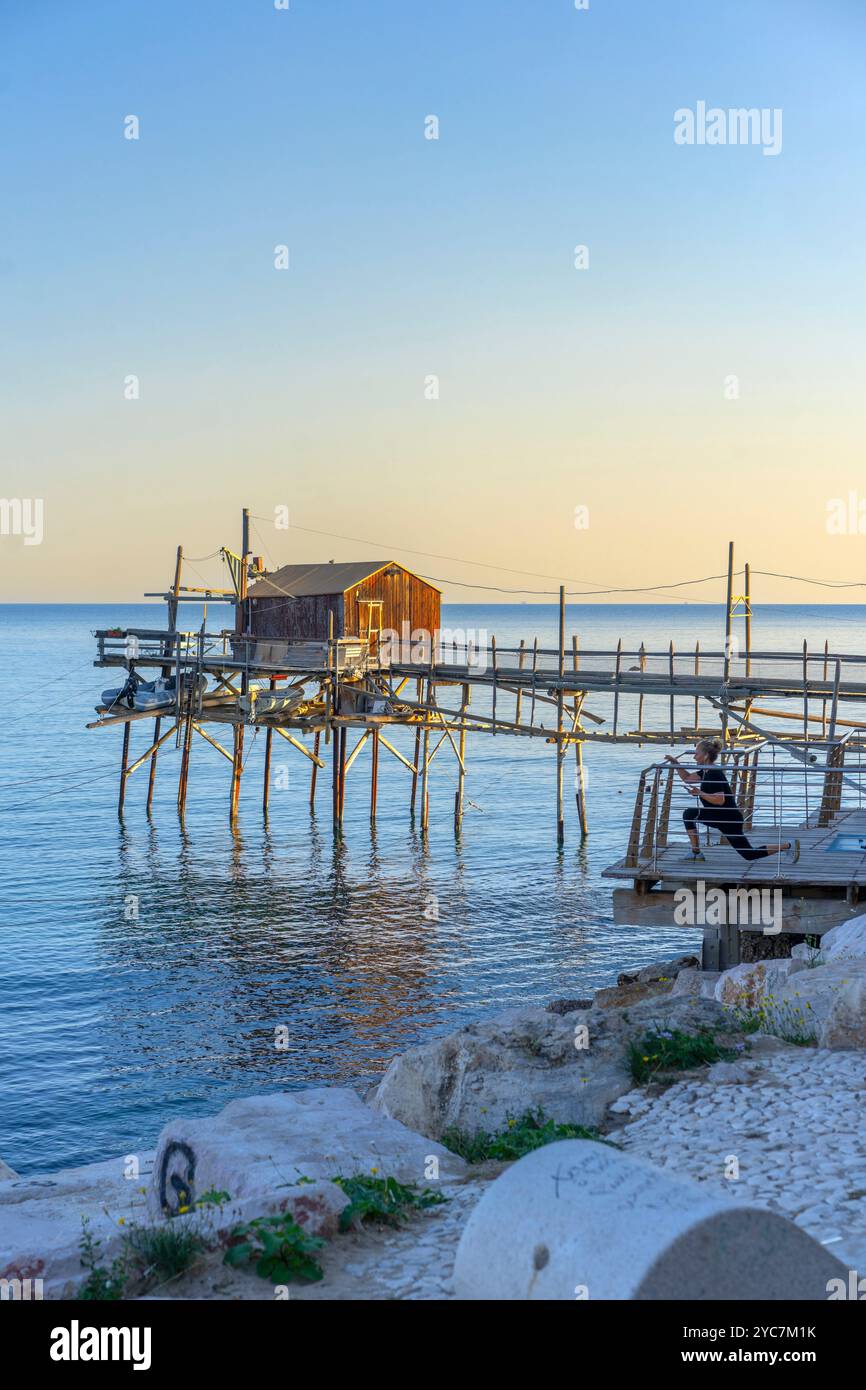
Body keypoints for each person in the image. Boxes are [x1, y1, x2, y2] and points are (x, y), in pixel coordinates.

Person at [665, 738, 800, 863]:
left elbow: (720, 800)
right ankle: (696, 852)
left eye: (696, 753)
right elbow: (687, 778)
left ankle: (788, 846)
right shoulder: (706, 771)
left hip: (729, 819)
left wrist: (699, 792)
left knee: (749, 854)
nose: (694, 756)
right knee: (689, 814)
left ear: (706, 755)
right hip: (717, 816)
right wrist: (675, 763)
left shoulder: (714, 773)